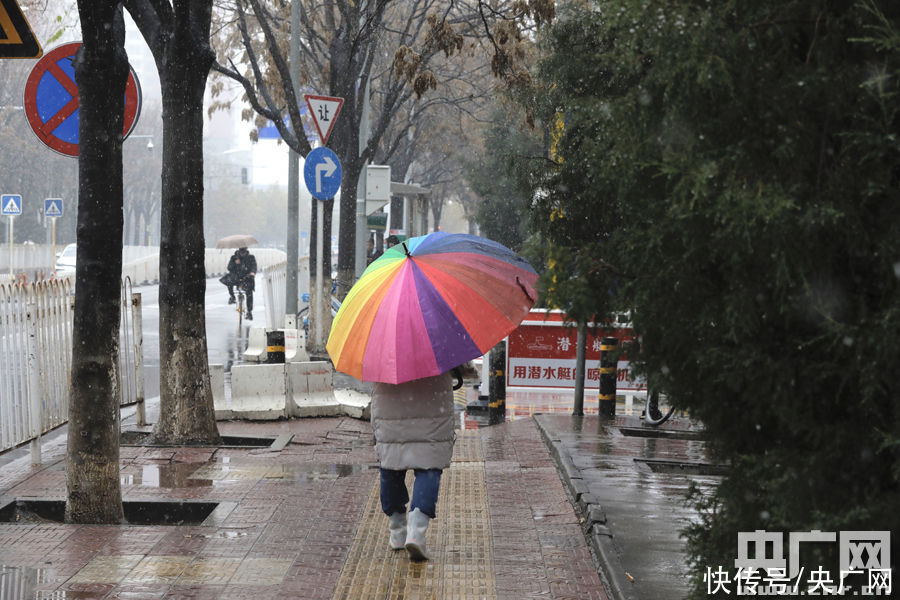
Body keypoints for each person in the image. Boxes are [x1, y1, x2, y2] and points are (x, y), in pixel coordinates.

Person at [371, 368, 463, 561]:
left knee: (391, 466)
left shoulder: (383, 347)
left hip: (391, 405)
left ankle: (397, 531)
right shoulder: (439, 341)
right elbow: (462, 365)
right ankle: (416, 532)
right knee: (429, 466)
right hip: (433, 406)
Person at [220, 247, 257, 320]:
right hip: (236, 277)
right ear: (239, 251)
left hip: (247, 277)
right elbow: (229, 268)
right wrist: (235, 263)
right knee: (229, 281)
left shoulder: (251, 257)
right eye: (241, 251)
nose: (242, 253)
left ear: (246, 250)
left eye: (244, 251)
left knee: (249, 292)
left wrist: (252, 272)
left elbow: (254, 267)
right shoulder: (234, 257)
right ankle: (232, 296)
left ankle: (249, 311)